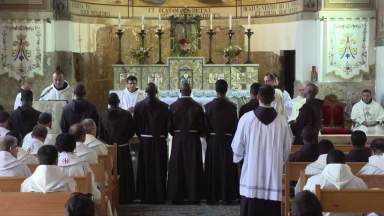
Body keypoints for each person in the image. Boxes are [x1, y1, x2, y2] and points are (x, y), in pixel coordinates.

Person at [232, 85, 292, 216]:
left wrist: (238, 157)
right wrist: (277, 161)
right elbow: (287, 148)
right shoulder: (282, 122)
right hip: (272, 176)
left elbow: (237, 145)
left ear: (258, 97)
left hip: (251, 175)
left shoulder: (246, 119)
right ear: (274, 98)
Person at [167, 83, 205, 204]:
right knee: (193, 166)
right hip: (193, 139)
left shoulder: (172, 107)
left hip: (178, 139)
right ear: (191, 91)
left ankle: (177, 197)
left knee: (177, 166)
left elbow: (169, 127)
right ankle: (193, 196)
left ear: (180, 91)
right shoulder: (198, 107)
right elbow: (202, 127)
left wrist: (178, 135)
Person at [303, 149, 367, 216]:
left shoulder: (313, 181)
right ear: (344, 162)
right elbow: (367, 209)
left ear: (326, 162)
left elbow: (305, 205)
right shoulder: (360, 183)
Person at [205, 80, 239, 205]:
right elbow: (235, 128)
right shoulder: (232, 107)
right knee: (226, 168)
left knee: (214, 168)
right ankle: (226, 197)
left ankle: (213, 197)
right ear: (227, 90)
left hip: (213, 141)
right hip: (227, 141)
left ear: (215, 90)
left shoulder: (208, 107)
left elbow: (206, 127)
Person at [134, 83, 169, 204]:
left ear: (145, 91)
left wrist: (143, 137)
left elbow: (136, 126)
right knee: (159, 168)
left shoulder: (139, 106)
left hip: (145, 140)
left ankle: (145, 196)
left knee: (146, 168)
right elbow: (167, 126)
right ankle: (160, 196)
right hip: (159, 140)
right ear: (156, 91)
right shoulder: (164, 106)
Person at [98, 93, 136, 204]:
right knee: (125, 173)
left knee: (112, 172)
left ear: (108, 102)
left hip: (109, 149)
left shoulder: (102, 116)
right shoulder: (127, 115)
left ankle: (113, 197)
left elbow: (100, 133)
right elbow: (131, 131)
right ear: (119, 101)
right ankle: (127, 197)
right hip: (123, 148)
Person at [56, 133, 101, 201]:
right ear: (74, 146)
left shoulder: (54, 164)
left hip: (58, 200)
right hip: (80, 201)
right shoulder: (82, 164)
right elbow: (91, 183)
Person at [289, 126, 318, 198]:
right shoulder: (320, 155)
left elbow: (291, 183)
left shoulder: (295, 157)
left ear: (301, 138)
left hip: (298, 194)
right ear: (316, 137)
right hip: (318, 192)